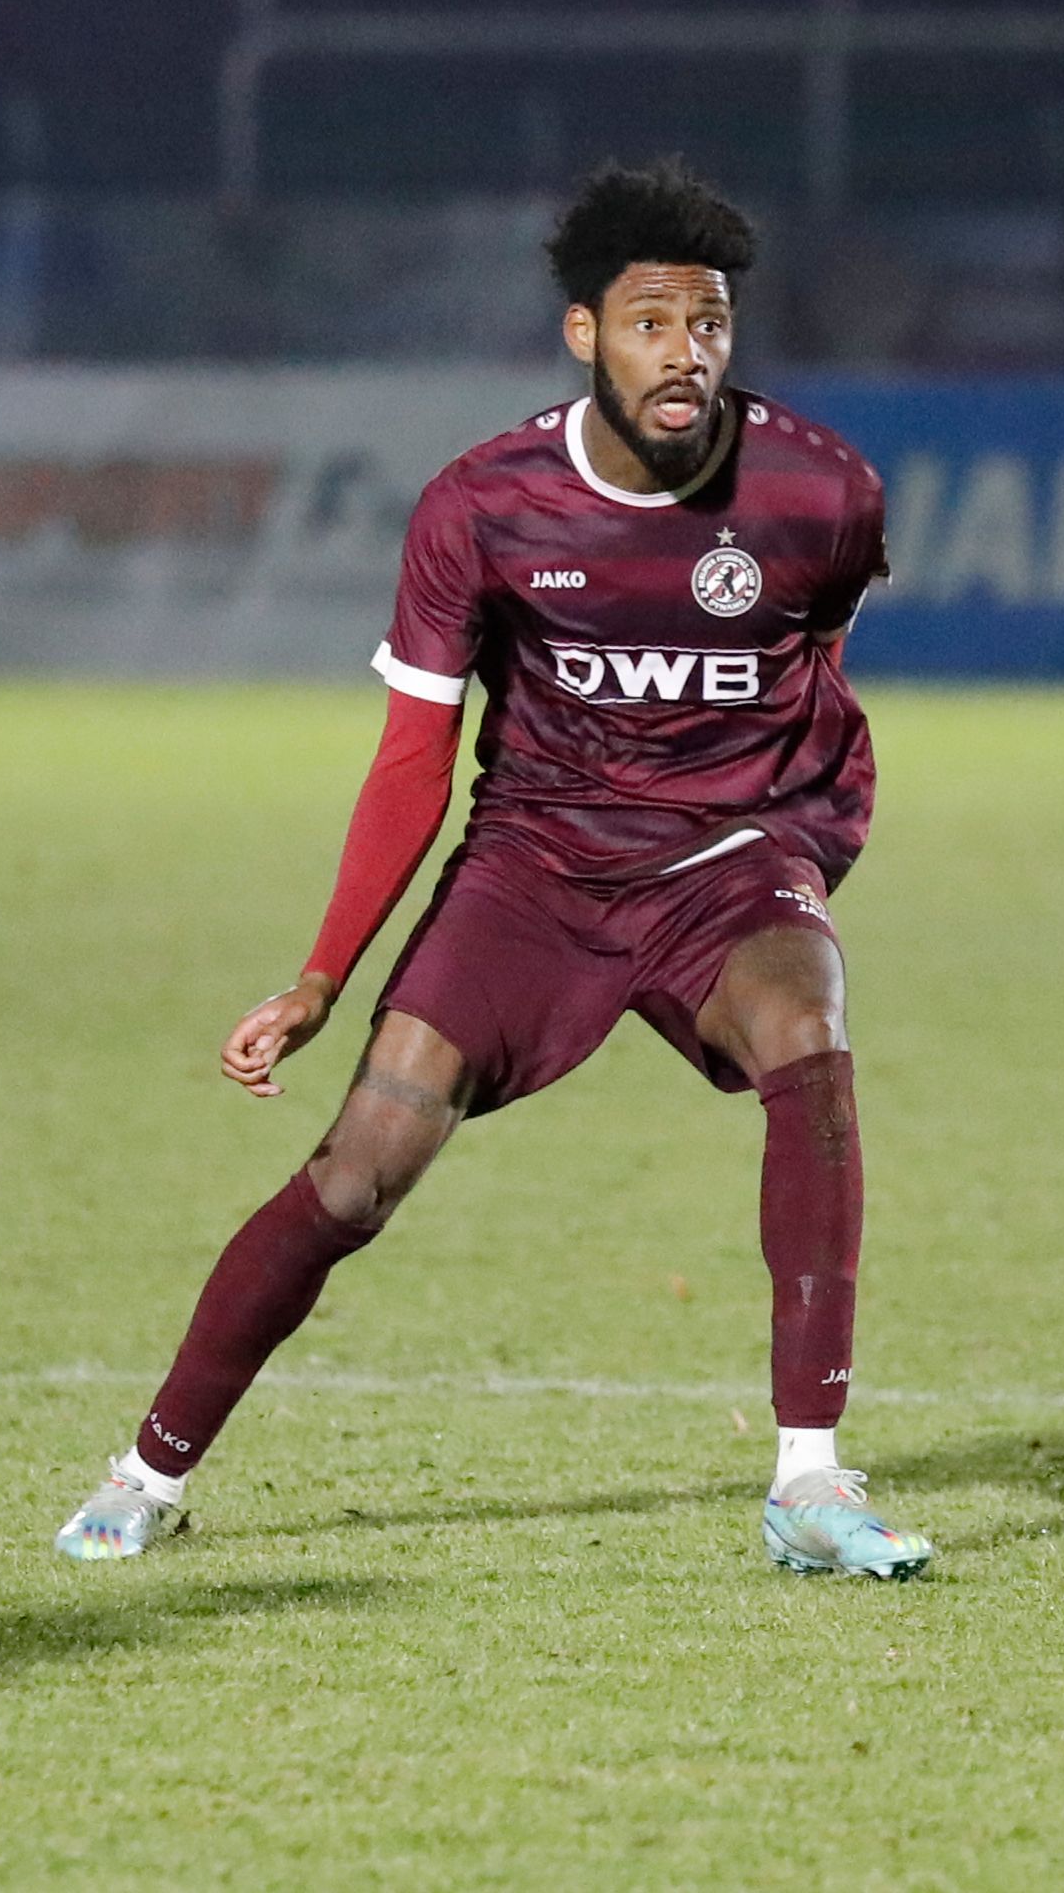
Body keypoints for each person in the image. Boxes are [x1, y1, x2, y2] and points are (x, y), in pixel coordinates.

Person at [54, 158, 932, 1579]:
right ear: (585, 334)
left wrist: (805, 844)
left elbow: (813, 673)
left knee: (807, 1033)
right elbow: (415, 760)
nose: (686, 352)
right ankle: (145, 1473)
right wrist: (320, 977)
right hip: (535, 864)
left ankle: (810, 1482)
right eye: (651, 323)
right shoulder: (483, 504)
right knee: (359, 1174)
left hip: (726, 859)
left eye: (709, 323)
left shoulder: (823, 491)